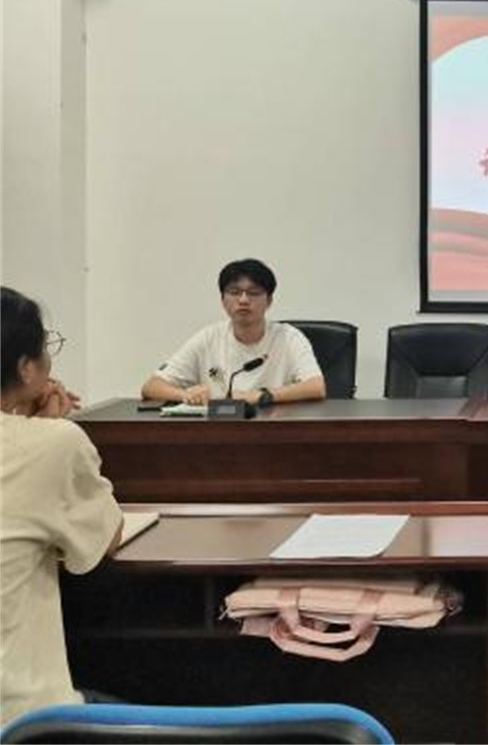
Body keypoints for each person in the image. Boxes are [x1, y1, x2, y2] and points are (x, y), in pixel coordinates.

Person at [1, 286, 124, 724]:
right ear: (25, 367)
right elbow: (107, 539)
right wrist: (48, 430)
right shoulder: (56, 442)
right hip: (23, 721)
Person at [140, 258, 325, 407]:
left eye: (253, 293)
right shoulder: (208, 338)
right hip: (219, 432)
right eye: (235, 292)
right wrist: (185, 394)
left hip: (274, 431)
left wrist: (263, 396)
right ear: (223, 300)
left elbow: (316, 387)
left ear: (269, 300)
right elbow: (151, 386)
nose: (243, 300)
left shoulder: (289, 337)